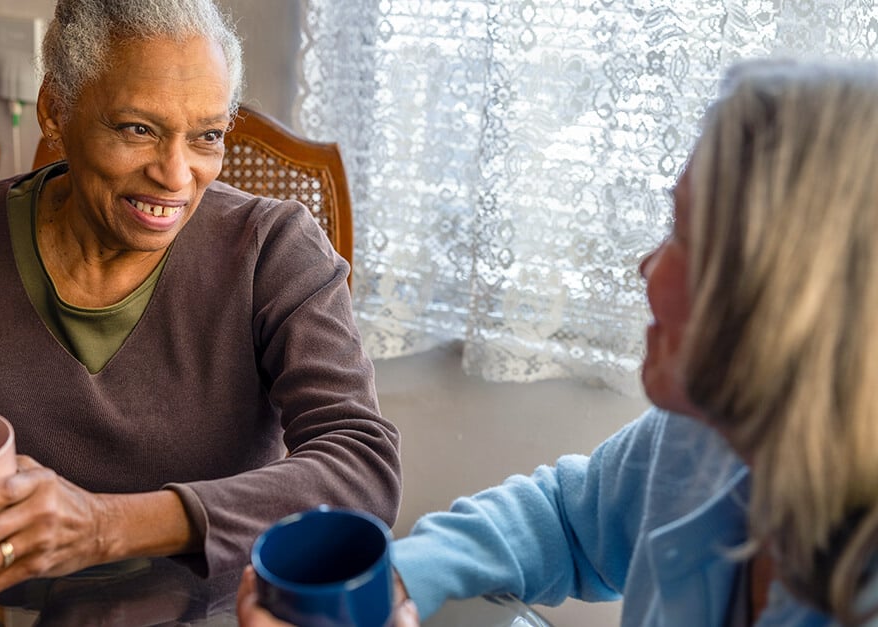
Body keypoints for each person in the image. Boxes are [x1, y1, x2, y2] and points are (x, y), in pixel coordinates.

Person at [0, 0, 401, 615]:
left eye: (206, 136)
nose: (175, 175)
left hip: (221, 611)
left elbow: (362, 469)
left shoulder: (273, 248)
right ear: (56, 111)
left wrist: (103, 526)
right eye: (137, 128)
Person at [240, 58, 878, 626]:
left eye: (684, 233)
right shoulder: (699, 433)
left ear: (793, 292)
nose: (646, 265)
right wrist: (398, 577)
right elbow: (568, 519)